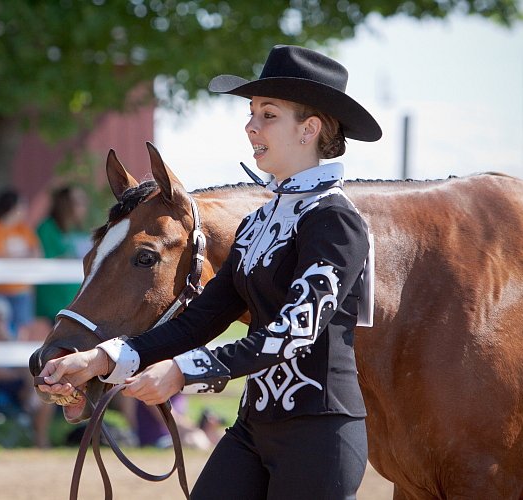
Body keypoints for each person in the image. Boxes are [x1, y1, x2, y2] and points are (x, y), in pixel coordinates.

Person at [37, 44, 381, 499]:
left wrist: (182, 372)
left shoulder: (336, 220)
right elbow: (203, 318)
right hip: (254, 426)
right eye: (252, 112)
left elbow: (296, 331)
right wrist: (101, 359)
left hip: (320, 433)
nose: (250, 125)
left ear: (309, 129)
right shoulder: (260, 222)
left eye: (268, 114)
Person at [0, 294, 54, 448]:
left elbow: (24, 363)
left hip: (19, 385)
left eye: (1, 319)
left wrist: (6, 339)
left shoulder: (10, 340)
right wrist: (19, 375)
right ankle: (33, 397)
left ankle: (40, 441)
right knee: (35, 382)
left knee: (45, 395)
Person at [0, 188, 42, 333]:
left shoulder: (23, 230)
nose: (25, 211)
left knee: (22, 331)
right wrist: (23, 257)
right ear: (12, 208)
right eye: (21, 206)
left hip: (21, 291)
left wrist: (13, 258)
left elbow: (37, 253)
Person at [35, 185, 92, 325]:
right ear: (65, 205)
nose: (83, 207)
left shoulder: (76, 231)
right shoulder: (47, 228)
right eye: (78, 203)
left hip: (75, 302)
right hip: (53, 302)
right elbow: (46, 259)